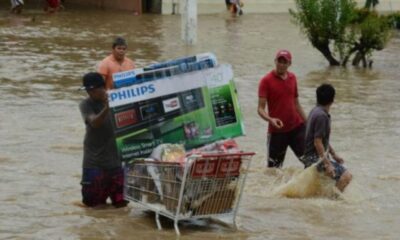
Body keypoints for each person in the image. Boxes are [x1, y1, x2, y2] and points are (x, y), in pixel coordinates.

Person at [79, 72, 128, 208]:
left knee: (122, 205)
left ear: (103, 88)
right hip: (94, 164)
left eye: (92, 90)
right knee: (94, 208)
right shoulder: (85, 104)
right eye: (88, 90)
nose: (90, 93)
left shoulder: (120, 100)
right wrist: (107, 108)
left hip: (116, 163)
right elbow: (94, 123)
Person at [257, 50, 307, 168]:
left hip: (297, 128)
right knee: (274, 170)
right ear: (275, 61)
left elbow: (296, 103)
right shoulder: (266, 81)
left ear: (289, 64)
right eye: (280, 61)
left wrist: (308, 123)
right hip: (277, 132)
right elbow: (260, 109)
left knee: (310, 162)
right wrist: (270, 119)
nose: (282, 64)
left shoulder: (292, 78)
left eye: (285, 62)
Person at [303, 84, 352, 192]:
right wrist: (327, 163)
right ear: (332, 100)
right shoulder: (322, 116)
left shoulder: (315, 111)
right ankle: (333, 201)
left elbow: (322, 139)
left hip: (310, 157)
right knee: (346, 176)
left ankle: (326, 200)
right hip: (314, 159)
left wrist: (334, 155)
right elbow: (317, 142)